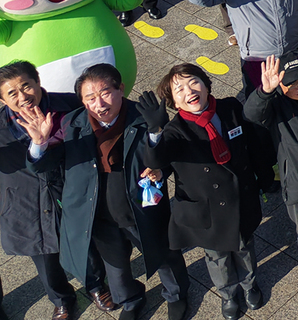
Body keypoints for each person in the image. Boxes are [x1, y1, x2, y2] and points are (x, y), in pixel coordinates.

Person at [23, 63, 189, 320]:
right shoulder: (72, 123)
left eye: (105, 93)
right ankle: (130, 300)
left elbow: (166, 160)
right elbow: (45, 168)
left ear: (120, 89)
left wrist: (156, 133)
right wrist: (39, 144)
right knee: (116, 268)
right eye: (89, 98)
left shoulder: (142, 116)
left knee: (163, 253)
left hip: (140, 207)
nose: (99, 103)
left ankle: (177, 294)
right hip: (97, 213)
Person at [148, 63, 271, 320]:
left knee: (245, 246)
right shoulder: (174, 131)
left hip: (239, 197)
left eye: (193, 82)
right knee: (217, 257)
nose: (189, 91)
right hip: (206, 208)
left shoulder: (229, 108)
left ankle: (250, 285)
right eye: (178, 89)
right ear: (173, 101)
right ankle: (228, 294)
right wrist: (154, 132)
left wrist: (265, 175)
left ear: (206, 84)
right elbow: (157, 159)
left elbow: (253, 143)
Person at [0, 61, 89, 320]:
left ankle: (96, 285)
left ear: (38, 82)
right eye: (12, 93)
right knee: (45, 259)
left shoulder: (70, 104)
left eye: (26, 86)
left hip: (68, 188)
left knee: (87, 242)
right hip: (23, 200)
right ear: (3, 100)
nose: (22, 96)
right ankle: (62, 299)